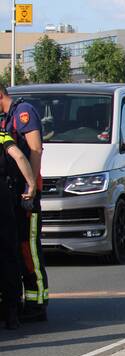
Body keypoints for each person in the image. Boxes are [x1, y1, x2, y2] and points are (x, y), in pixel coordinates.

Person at [0, 84, 48, 321]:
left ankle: (37, 302)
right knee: (13, 248)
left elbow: (35, 150)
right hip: (12, 194)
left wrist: (32, 188)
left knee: (28, 249)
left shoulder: (23, 112)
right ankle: (19, 301)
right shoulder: (6, 118)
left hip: (27, 193)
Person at [0, 130, 37, 330]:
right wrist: (31, 185)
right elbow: (20, 156)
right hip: (2, 197)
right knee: (8, 254)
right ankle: (12, 312)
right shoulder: (2, 136)